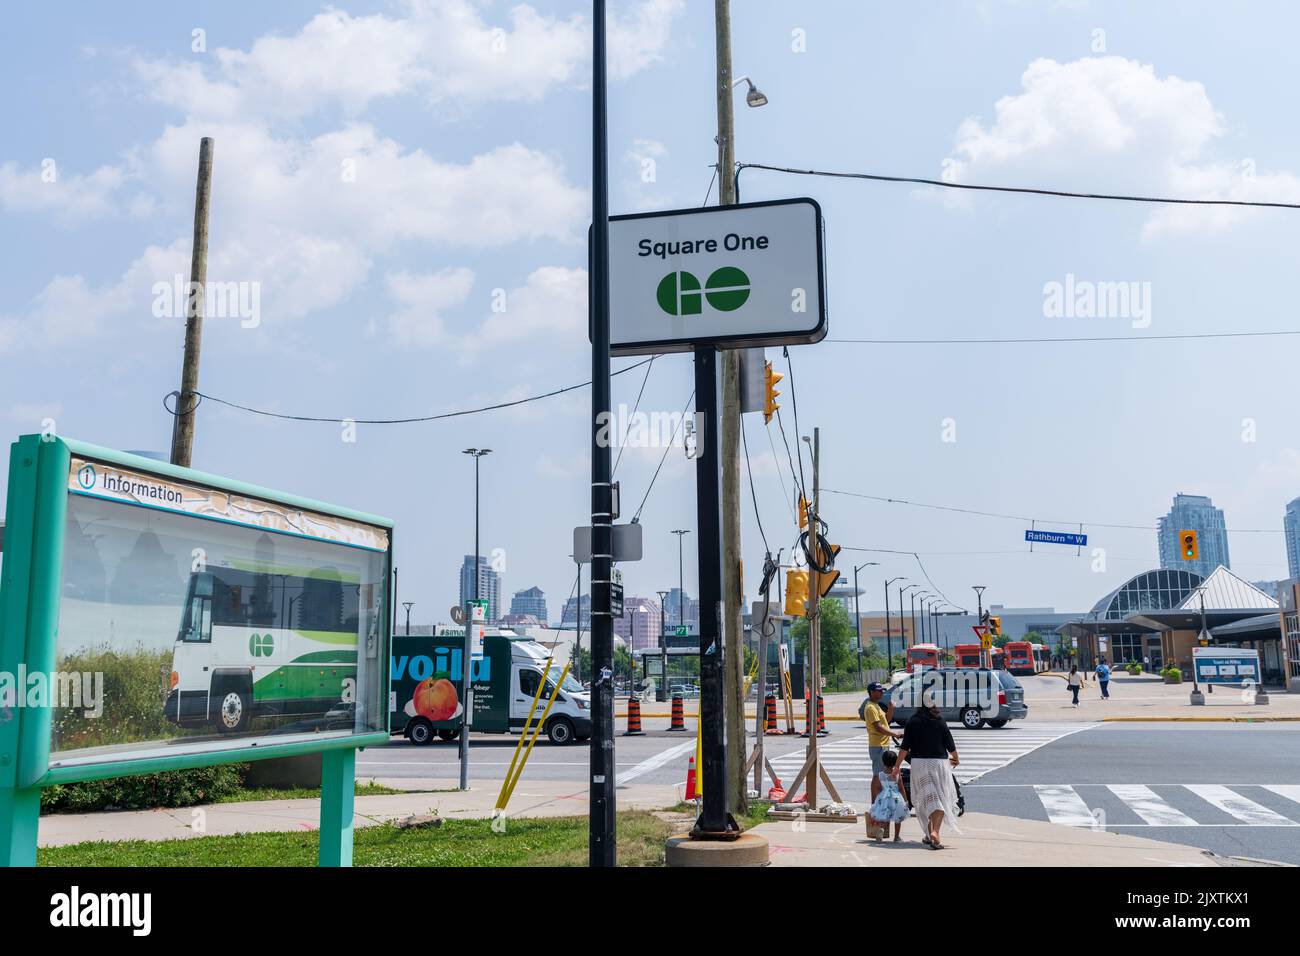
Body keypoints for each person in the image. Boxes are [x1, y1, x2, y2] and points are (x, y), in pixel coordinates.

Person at [892, 697, 961, 850]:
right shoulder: (939, 720)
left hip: (919, 764)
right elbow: (949, 743)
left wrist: (896, 766)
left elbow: (904, 747)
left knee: (927, 798)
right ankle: (935, 831)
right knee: (941, 798)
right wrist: (956, 757)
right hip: (938, 764)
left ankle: (930, 835)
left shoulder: (912, 721)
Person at [864, 681, 902, 804]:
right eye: (878, 691)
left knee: (881, 774)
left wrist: (891, 708)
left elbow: (887, 720)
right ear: (871, 692)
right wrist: (894, 734)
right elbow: (878, 727)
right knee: (877, 775)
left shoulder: (876, 705)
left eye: (881, 691)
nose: (881, 693)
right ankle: (874, 803)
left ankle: (878, 800)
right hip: (877, 745)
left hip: (883, 744)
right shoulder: (870, 707)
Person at [867, 750, 909, 842]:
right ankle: (896, 837)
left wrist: (879, 798)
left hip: (884, 797)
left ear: (883, 761)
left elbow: (878, 788)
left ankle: (881, 829)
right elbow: (901, 788)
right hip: (896, 798)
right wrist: (906, 800)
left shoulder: (880, 775)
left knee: (885, 816)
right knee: (898, 817)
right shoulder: (897, 774)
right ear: (895, 762)